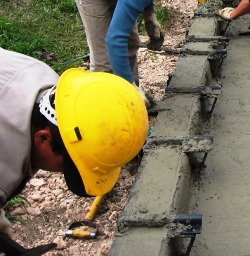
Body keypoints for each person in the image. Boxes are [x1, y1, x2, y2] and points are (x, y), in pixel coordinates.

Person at [0, 48, 148, 238]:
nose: (63, 172)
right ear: (43, 138)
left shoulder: (54, 88)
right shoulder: (4, 167)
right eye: (68, 166)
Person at [67, 0, 224, 98]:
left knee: (132, 42)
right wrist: (129, 87)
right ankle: (106, 107)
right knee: (104, 60)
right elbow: (115, 39)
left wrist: (149, 15)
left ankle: (130, 102)